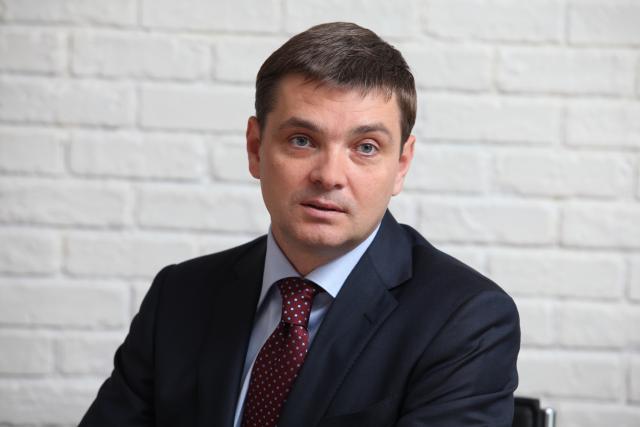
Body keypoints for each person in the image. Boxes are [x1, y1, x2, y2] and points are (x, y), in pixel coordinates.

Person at [80, 22, 520, 427]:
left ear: (401, 165)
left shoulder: (466, 321)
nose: (329, 176)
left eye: (366, 147)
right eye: (302, 140)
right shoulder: (179, 296)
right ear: (256, 149)